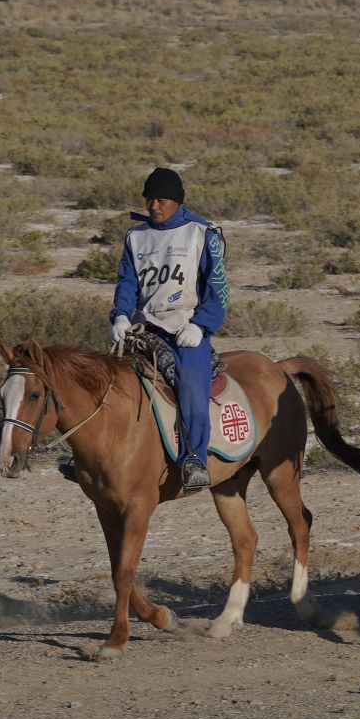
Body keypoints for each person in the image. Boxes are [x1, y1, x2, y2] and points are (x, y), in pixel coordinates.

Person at [111, 167, 228, 492]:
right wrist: (120, 316)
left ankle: (195, 458)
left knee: (191, 381)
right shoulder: (136, 236)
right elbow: (127, 281)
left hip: (185, 327)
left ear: (176, 202)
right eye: (149, 199)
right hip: (143, 326)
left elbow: (219, 289)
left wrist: (201, 325)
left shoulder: (203, 233)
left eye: (160, 199)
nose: (153, 205)